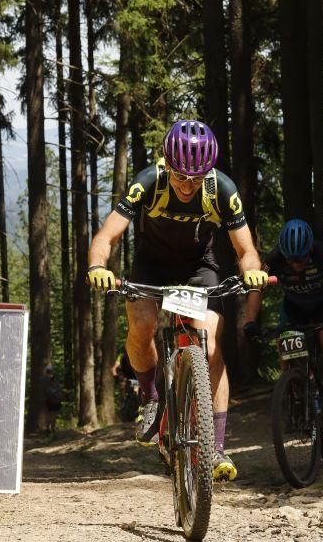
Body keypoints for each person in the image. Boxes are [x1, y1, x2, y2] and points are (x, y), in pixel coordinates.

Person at [87, 119, 267, 482]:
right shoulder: (148, 181)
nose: (187, 185)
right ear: (168, 165)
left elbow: (246, 249)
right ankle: (150, 398)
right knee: (142, 324)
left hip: (200, 267)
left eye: (196, 178)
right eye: (181, 176)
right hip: (152, 265)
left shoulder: (221, 188)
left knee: (210, 344)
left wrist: (252, 272)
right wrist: (97, 266)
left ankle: (216, 447)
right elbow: (107, 235)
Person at [243, 219, 323, 433]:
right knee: (285, 344)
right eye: (291, 260)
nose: (296, 265)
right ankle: (293, 393)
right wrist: (250, 321)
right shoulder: (274, 258)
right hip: (294, 308)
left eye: (301, 259)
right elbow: (257, 289)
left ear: (309, 250)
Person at [41, 365, 63, 435]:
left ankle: (49, 428)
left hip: (49, 400)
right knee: (53, 414)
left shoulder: (43, 379)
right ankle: (51, 428)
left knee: (48, 414)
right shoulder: (55, 380)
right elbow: (59, 389)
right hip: (54, 400)